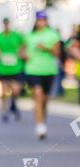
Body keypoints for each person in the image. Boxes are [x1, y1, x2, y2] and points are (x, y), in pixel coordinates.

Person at [22, 10, 60, 139]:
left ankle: (42, 120)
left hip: (48, 70)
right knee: (38, 95)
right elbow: (21, 52)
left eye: (44, 20)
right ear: (36, 21)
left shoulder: (53, 35)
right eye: (39, 20)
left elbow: (58, 54)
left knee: (44, 100)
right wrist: (24, 56)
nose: (42, 22)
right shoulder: (28, 36)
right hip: (32, 70)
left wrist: (46, 49)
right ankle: (40, 126)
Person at [0, 17, 24, 121]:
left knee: (16, 90)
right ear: (3, 25)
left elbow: (23, 47)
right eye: (5, 24)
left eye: (8, 24)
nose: (6, 26)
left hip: (16, 68)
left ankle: (13, 104)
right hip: (3, 69)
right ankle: (4, 112)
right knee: (4, 91)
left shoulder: (17, 36)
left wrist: (21, 53)